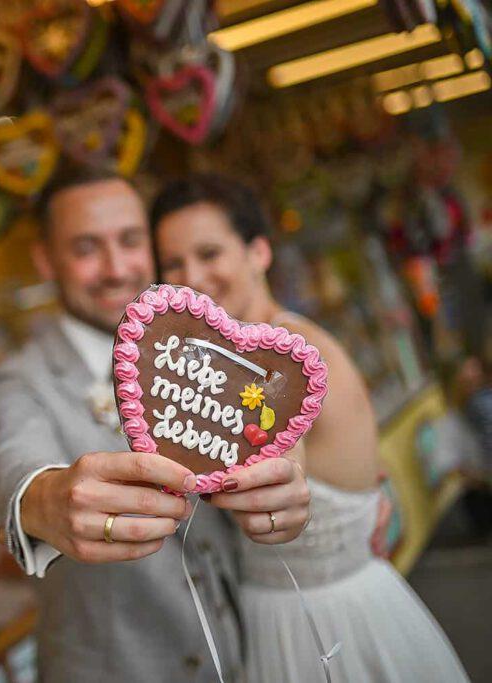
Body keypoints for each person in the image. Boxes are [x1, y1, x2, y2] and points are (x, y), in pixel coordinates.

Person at [0, 167, 312, 682]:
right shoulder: (16, 383)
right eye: (86, 248)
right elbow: (11, 467)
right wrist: (44, 499)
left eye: (130, 241)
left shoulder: (205, 353)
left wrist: (288, 495)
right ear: (47, 260)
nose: (115, 269)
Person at [149, 172, 469, 682]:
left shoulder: (276, 358)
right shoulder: (256, 348)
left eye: (209, 254)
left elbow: (279, 471)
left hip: (318, 626)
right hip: (311, 605)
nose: (192, 275)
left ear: (258, 253)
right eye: (173, 263)